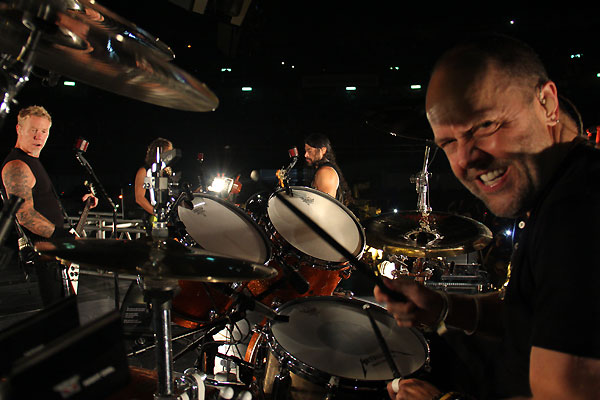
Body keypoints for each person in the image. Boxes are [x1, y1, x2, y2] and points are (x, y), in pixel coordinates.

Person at [374, 34, 600, 399]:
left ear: (547, 103)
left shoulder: (578, 211)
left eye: (484, 126)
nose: (465, 159)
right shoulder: (557, 190)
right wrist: (443, 307)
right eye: (449, 143)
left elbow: (567, 392)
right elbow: (534, 317)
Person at [1, 105, 97, 306]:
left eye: (44, 131)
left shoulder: (32, 161)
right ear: (19, 129)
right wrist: (63, 237)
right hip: (43, 255)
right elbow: (25, 215)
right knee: (56, 315)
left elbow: (44, 202)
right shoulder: (17, 165)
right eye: (33, 130)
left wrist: (78, 200)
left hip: (54, 253)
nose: (39, 136)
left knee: (65, 312)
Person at [304, 132, 351, 205]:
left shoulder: (325, 172)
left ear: (323, 150)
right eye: (305, 151)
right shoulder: (323, 170)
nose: (306, 155)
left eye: (309, 151)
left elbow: (325, 206)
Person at [134, 137, 173, 222]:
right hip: (151, 218)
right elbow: (139, 198)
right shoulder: (145, 171)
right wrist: (157, 214)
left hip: (169, 218)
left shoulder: (167, 171)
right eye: (168, 152)